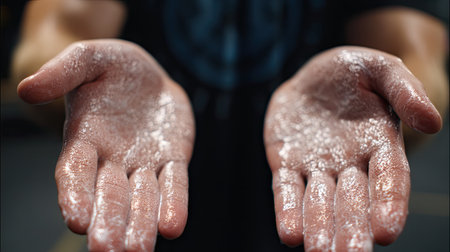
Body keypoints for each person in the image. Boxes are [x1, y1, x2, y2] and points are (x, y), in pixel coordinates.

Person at [12, 0, 448, 251]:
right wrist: (83, 81)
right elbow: (56, 33)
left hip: (317, 215)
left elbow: (416, 60)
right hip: (149, 209)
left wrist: (380, 101)